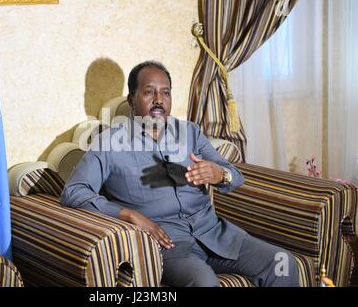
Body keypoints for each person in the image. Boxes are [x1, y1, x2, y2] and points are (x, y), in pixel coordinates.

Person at [61, 61, 300, 287]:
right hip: (169, 245)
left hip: (215, 234)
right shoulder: (109, 144)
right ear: (131, 100)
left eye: (165, 92)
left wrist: (218, 174)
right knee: (203, 282)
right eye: (149, 92)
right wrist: (127, 214)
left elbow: (235, 176)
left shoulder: (190, 133)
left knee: (283, 263)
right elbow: (73, 192)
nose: (158, 100)